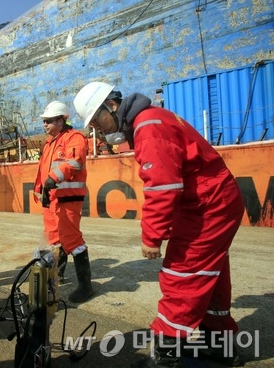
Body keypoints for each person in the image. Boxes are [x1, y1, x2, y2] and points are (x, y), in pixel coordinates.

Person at [74, 82, 245, 367]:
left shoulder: (149, 126)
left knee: (183, 274)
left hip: (208, 207)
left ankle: (165, 356)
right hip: (212, 202)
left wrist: (152, 236)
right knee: (209, 272)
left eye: (96, 121)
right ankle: (220, 346)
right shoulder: (150, 119)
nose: (97, 130)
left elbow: (163, 187)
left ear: (111, 106)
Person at [33, 101, 94, 304]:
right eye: (44, 121)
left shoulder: (74, 138)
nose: (45, 125)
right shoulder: (50, 142)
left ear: (61, 120)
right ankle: (56, 276)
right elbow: (42, 171)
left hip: (68, 200)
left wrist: (53, 177)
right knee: (54, 239)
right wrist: (40, 190)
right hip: (52, 200)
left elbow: (75, 162)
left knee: (72, 240)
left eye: (49, 121)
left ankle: (86, 286)